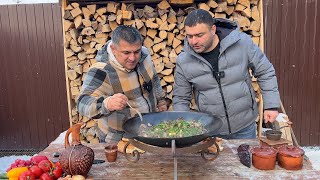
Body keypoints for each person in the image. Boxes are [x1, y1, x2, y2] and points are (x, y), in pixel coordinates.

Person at [173, 9, 280, 139]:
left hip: (244, 127)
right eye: (189, 36)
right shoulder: (184, 60)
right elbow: (181, 98)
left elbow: (265, 71)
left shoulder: (242, 43)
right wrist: (182, 126)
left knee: (245, 160)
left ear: (213, 29)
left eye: (199, 35)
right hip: (210, 130)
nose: (193, 41)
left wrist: (271, 105)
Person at [77, 25, 167, 143]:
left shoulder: (144, 54)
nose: (132, 58)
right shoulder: (101, 70)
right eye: (126, 52)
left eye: (136, 51)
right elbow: (82, 103)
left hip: (149, 130)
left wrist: (160, 101)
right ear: (113, 49)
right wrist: (107, 104)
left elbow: (154, 78)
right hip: (118, 140)